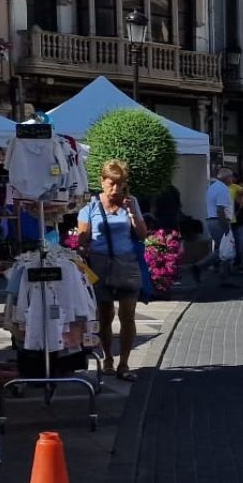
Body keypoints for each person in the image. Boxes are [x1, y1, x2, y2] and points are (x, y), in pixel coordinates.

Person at [78, 159, 149, 381]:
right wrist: (83, 241)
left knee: (127, 315)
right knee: (105, 315)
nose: (115, 189)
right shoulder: (89, 208)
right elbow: (83, 240)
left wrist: (131, 213)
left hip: (127, 264)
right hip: (101, 265)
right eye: (111, 184)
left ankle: (124, 363)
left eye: (120, 184)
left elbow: (142, 234)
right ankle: (108, 357)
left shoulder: (131, 203)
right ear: (102, 181)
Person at [200, 166, 234, 278]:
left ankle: (224, 274)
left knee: (223, 248)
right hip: (219, 221)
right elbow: (220, 210)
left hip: (212, 220)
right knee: (225, 249)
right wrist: (226, 228)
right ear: (227, 177)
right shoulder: (222, 189)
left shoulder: (212, 187)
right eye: (231, 177)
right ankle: (199, 266)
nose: (232, 179)